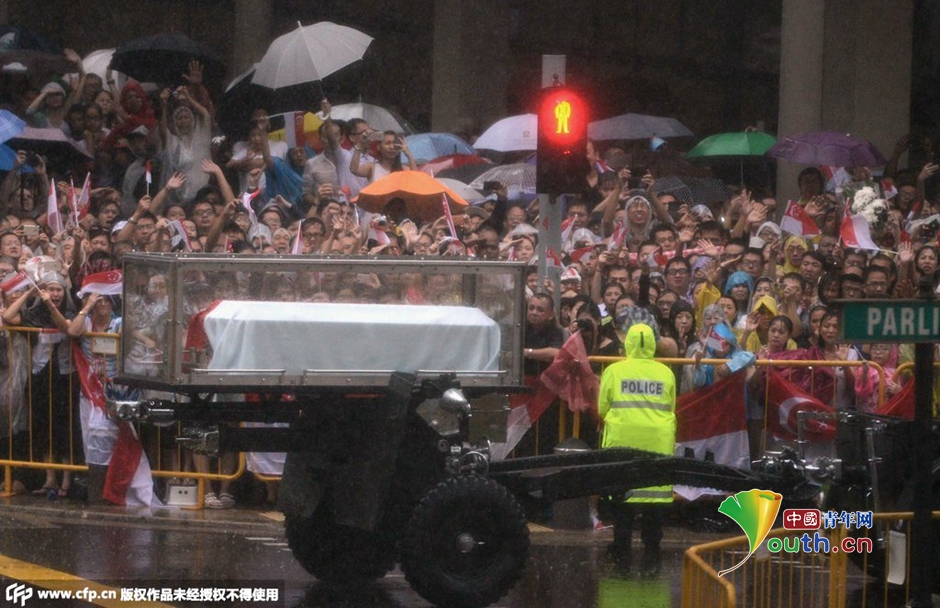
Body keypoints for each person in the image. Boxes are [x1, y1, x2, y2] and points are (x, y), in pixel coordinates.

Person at [598, 323, 676, 574]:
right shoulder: (666, 372)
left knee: (623, 497)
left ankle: (621, 546)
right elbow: (671, 406)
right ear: (652, 344)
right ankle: (652, 547)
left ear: (627, 344)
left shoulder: (613, 370)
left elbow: (602, 408)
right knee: (654, 501)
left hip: (623, 442)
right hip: (657, 443)